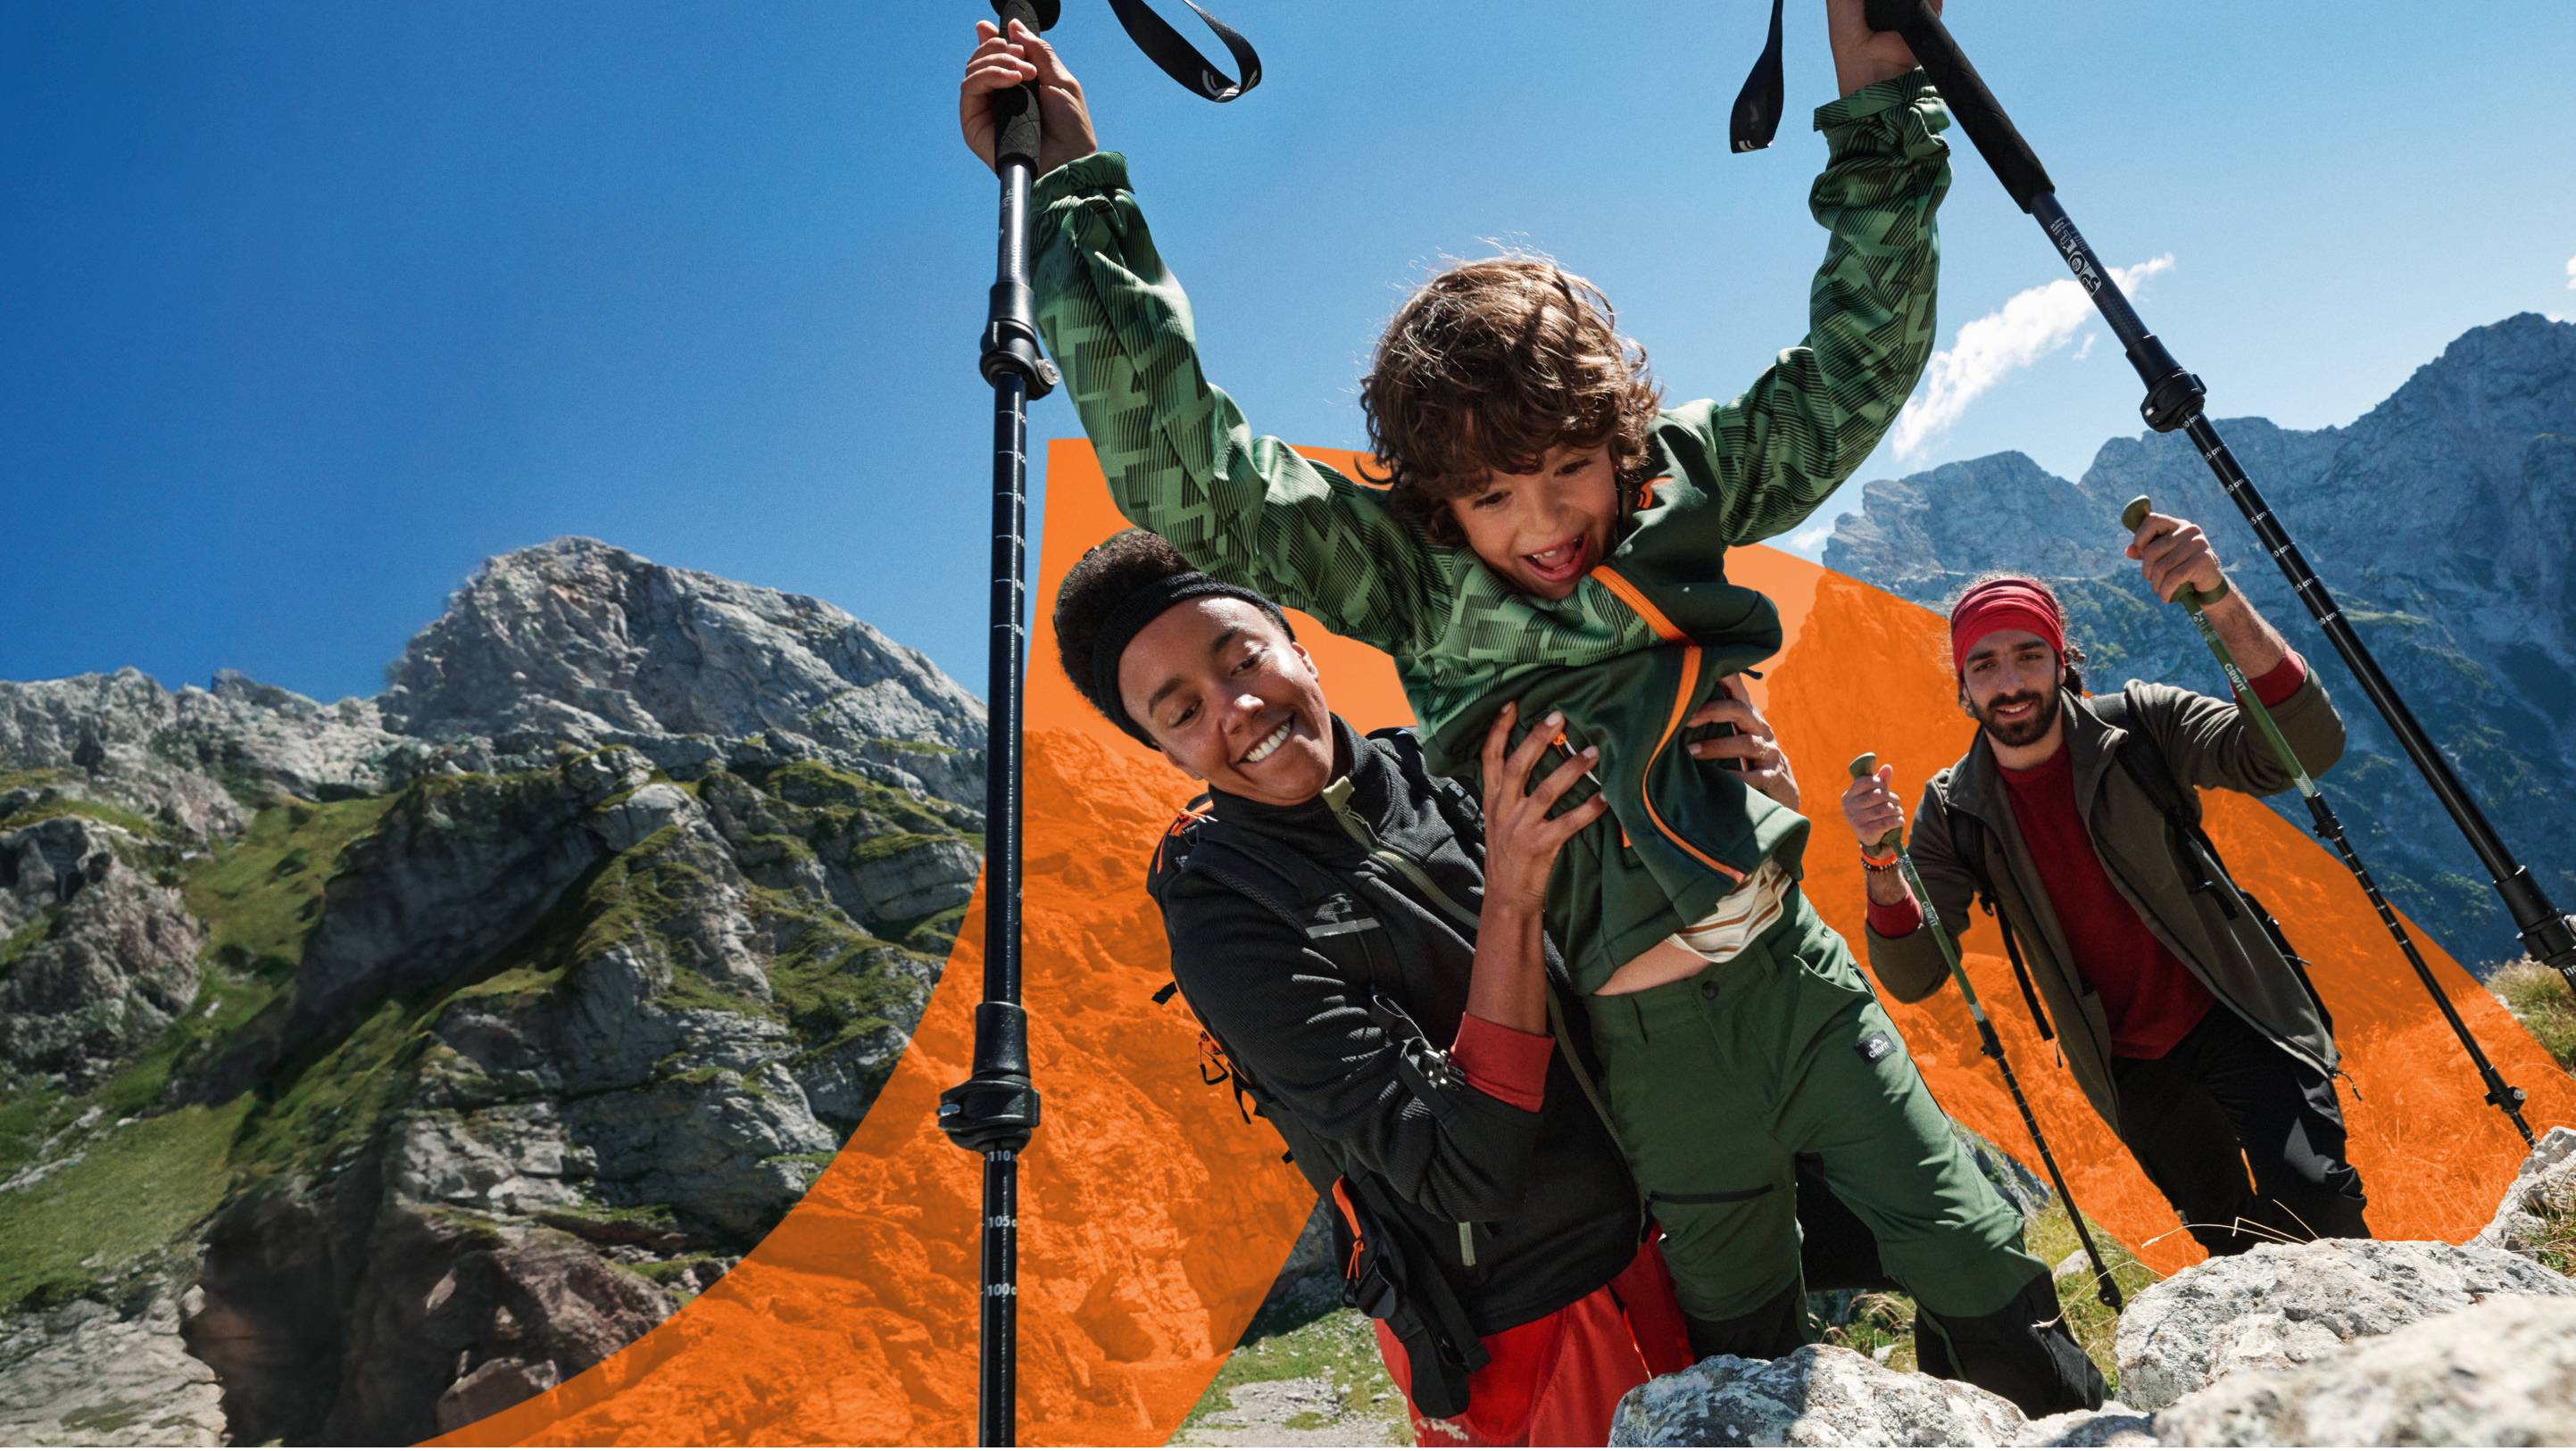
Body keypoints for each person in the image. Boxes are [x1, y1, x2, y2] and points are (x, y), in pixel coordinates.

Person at [961, 3, 2103, 1417]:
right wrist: (1078, 188)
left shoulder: (1676, 487)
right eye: (1489, 496)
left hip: (1797, 981)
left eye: (1568, 468)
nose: (1541, 521)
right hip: (1643, 1059)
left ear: (1620, 436)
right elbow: (1196, 473)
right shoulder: (1411, 576)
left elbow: (1853, 363)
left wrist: (1878, 99)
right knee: (1749, 1355)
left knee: (1980, 1261)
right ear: (1432, 500)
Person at [1057, 529, 1956, 1445]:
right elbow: (1463, 1168)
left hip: (1695, 1223)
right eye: (1181, 711)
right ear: (1163, 752)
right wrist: (1516, 893)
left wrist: (1743, 820)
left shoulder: (1445, 769)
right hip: (1530, 1331)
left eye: (1243, 657)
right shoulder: (1224, 923)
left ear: (1301, 646)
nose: (1237, 705)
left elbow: (1650, 948)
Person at [1841, 510, 2372, 1257]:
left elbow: (2298, 752)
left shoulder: (2144, 727)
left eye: (2029, 655)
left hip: (2237, 1010)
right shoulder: (1952, 810)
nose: (2011, 682)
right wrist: (1880, 865)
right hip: (2128, 1067)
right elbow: (1918, 975)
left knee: (2315, 1199)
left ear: (2063, 660)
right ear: (1962, 687)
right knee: (2232, 1247)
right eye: (1985, 665)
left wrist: (2216, 596)